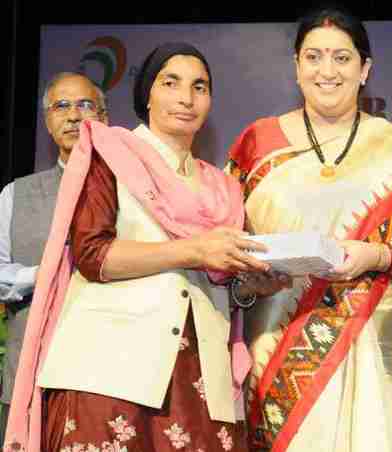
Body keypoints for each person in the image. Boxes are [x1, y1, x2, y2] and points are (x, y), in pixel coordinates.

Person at [4, 42, 286, 451]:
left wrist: (249, 290)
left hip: (199, 383)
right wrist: (194, 250)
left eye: (199, 86)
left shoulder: (222, 186)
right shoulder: (109, 154)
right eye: (170, 83)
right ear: (146, 95)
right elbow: (93, 256)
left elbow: (214, 285)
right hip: (109, 375)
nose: (185, 98)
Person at [225, 7, 392, 452]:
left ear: (365, 69)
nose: (327, 71)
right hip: (275, 354)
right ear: (296, 66)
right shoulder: (256, 145)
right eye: (314, 57)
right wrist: (247, 287)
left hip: (384, 352)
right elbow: (224, 255)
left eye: (342, 59)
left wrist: (377, 256)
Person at [0, 72, 107, 444]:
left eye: (85, 105)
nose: (74, 116)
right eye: (61, 106)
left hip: (108, 374)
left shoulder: (131, 193)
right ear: (47, 122)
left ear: (104, 118)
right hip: (32, 378)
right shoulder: (16, 194)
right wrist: (47, 273)